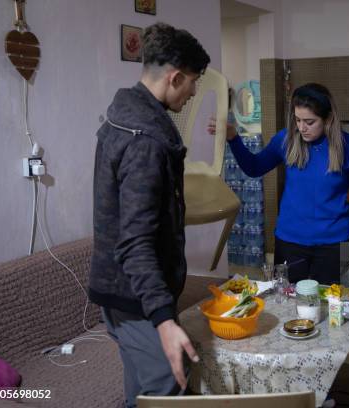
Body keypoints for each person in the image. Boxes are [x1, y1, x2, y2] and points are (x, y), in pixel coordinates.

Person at [89, 22, 210, 407]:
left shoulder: (120, 117)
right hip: (136, 296)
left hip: (122, 289)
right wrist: (164, 318)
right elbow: (135, 240)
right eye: (193, 82)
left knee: (139, 394)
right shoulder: (147, 142)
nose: (193, 92)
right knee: (167, 394)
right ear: (175, 78)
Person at [209, 83, 349, 284]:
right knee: (286, 302)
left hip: (334, 241)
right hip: (290, 240)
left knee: (329, 305)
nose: (302, 128)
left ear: (328, 119)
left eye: (309, 122)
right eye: (298, 120)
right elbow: (254, 168)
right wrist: (233, 139)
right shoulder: (285, 140)